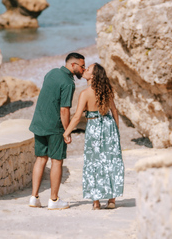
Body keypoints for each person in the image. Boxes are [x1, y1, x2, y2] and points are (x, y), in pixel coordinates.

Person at [63, 63, 124, 210]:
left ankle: (96, 202)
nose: (85, 70)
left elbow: (77, 117)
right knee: (111, 161)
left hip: (94, 127)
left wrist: (67, 132)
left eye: (88, 69)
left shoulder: (85, 93)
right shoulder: (106, 90)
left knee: (94, 162)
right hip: (109, 126)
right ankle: (111, 200)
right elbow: (114, 111)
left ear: (93, 76)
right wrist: (116, 130)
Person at [28, 52, 86, 210]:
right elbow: (64, 110)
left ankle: (34, 197)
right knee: (56, 161)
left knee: (40, 159)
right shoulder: (68, 83)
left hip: (39, 123)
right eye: (82, 66)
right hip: (54, 127)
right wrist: (67, 131)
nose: (83, 69)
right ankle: (53, 199)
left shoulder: (52, 72)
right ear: (73, 65)